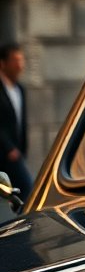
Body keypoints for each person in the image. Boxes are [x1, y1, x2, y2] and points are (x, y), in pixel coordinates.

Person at [0, 42, 32, 199]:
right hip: (6, 153)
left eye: (21, 60)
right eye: (15, 61)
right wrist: (8, 148)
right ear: (3, 64)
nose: (20, 65)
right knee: (28, 189)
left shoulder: (20, 89)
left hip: (16, 155)